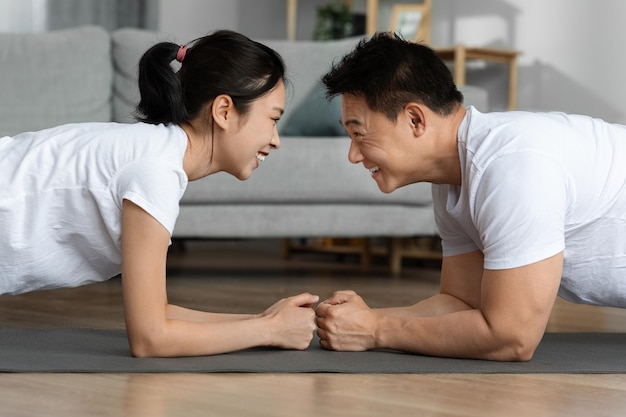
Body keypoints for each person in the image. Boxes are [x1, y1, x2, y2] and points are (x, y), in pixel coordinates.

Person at [0, 30, 318, 357]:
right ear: (224, 111)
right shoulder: (155, 171)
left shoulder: (157, 155)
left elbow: (156, 312)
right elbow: (150, 338)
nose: (276, 139)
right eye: (273, 119)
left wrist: (263, 320)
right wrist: (270, 330)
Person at [314, 32, 626, 361]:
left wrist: (376, 330)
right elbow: (460, 303)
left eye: (359, 133)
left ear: (415, 119)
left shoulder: (511, 164)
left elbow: (512, 337)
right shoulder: (456, 177)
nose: (352, 155)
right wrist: (362, 318)